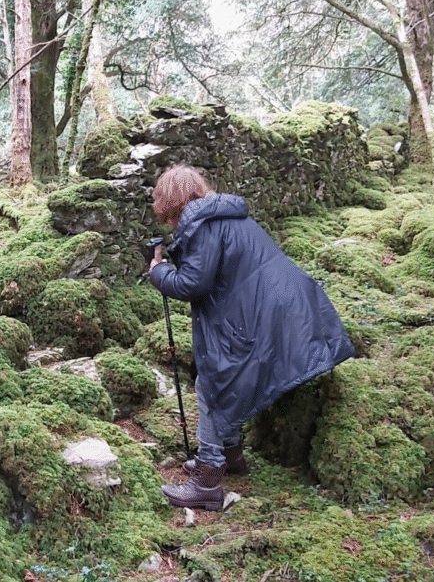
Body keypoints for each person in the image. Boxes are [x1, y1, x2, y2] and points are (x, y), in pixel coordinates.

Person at [147, 165, 355, 510]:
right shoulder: (224, 215)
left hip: (258, 313)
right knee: (230, 379)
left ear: (172, 200)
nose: (166, 220)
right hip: (278, 307)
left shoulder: (203, 225)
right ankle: (230, 455)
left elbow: (192, 284)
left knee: (213, 384)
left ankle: (207, 481)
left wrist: (159, 271)